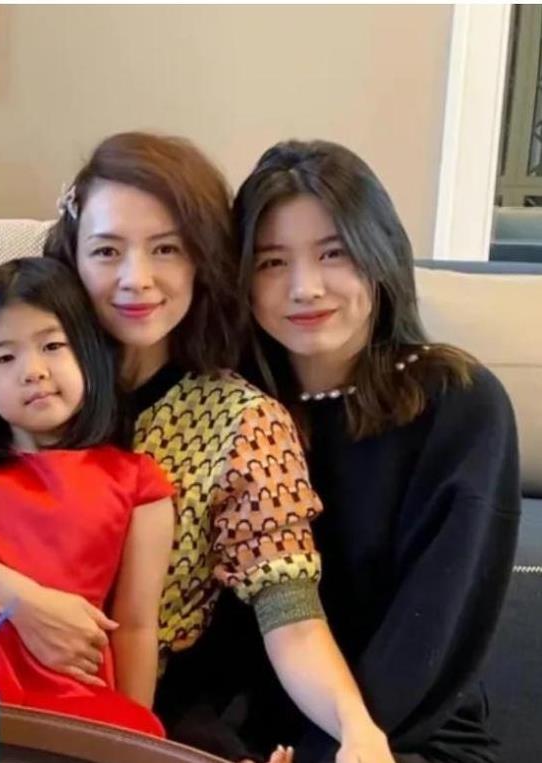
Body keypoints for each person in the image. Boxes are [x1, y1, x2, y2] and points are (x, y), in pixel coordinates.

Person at [0, 132, 391, 761]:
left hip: (120, 706)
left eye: (166, 248)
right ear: (73, 255)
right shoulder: (17, 376)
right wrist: (18, 599)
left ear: (203, 258)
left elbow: (291, 613)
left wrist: (355, 726)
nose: (136, 279)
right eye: (107, 251)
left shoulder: (243, 422)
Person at [216, 140, 521, 762]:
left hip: (406, 736)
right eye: (272, 262)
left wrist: (324, 751)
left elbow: (429, 638)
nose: (305, 287)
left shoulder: (460, 405)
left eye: (334, 253)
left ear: (380, 255)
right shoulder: (232, 408)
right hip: (248, 739)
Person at [0, 256, 174, 734]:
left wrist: (134, 736)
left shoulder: (139, 484)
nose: (32, 371)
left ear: (90, 352)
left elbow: (136, 624)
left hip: (68, 693)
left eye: (52, 345)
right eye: (4, 358)